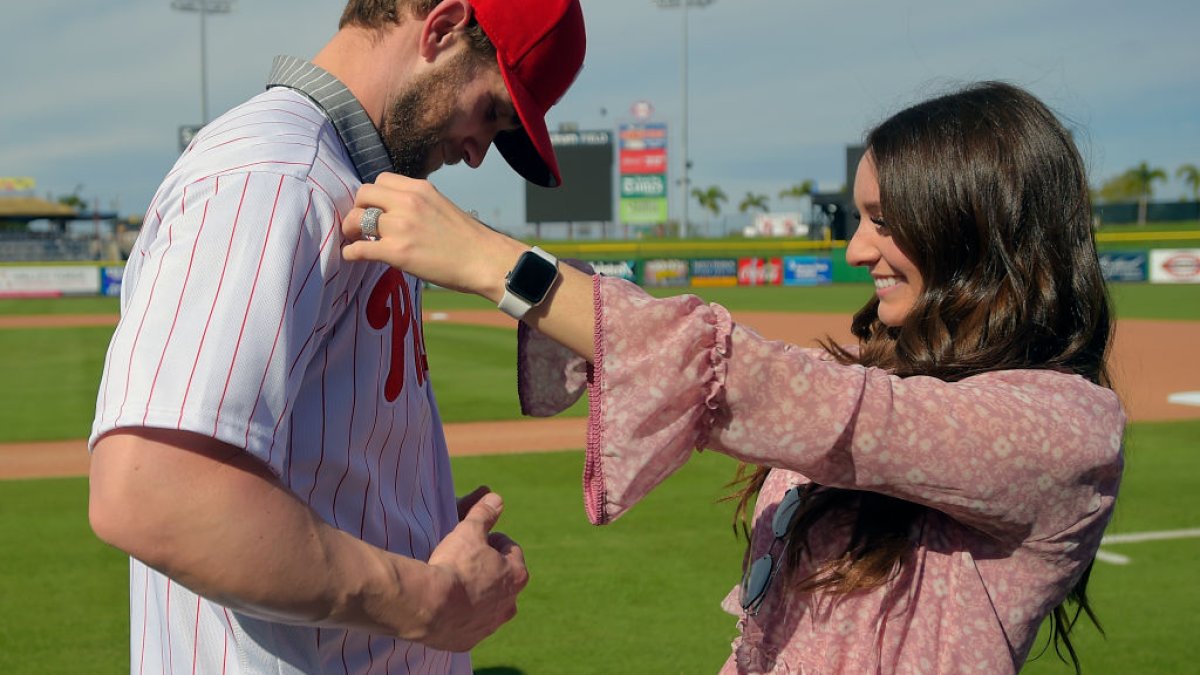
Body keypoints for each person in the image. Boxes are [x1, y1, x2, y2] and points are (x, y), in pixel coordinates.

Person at [339, 81, 1125, 673]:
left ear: (971, 226)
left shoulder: (1067, 432)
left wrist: (492, 261)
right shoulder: (875, 376)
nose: (856, 250)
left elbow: (806, 401)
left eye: (884, 220)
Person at [87, 1, 586, 672]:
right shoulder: (275, 177)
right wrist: (431, 598)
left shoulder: (357, 180)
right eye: (491, 112)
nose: (476, 152)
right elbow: (154, 492)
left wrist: (409, 516)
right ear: (440, 28)